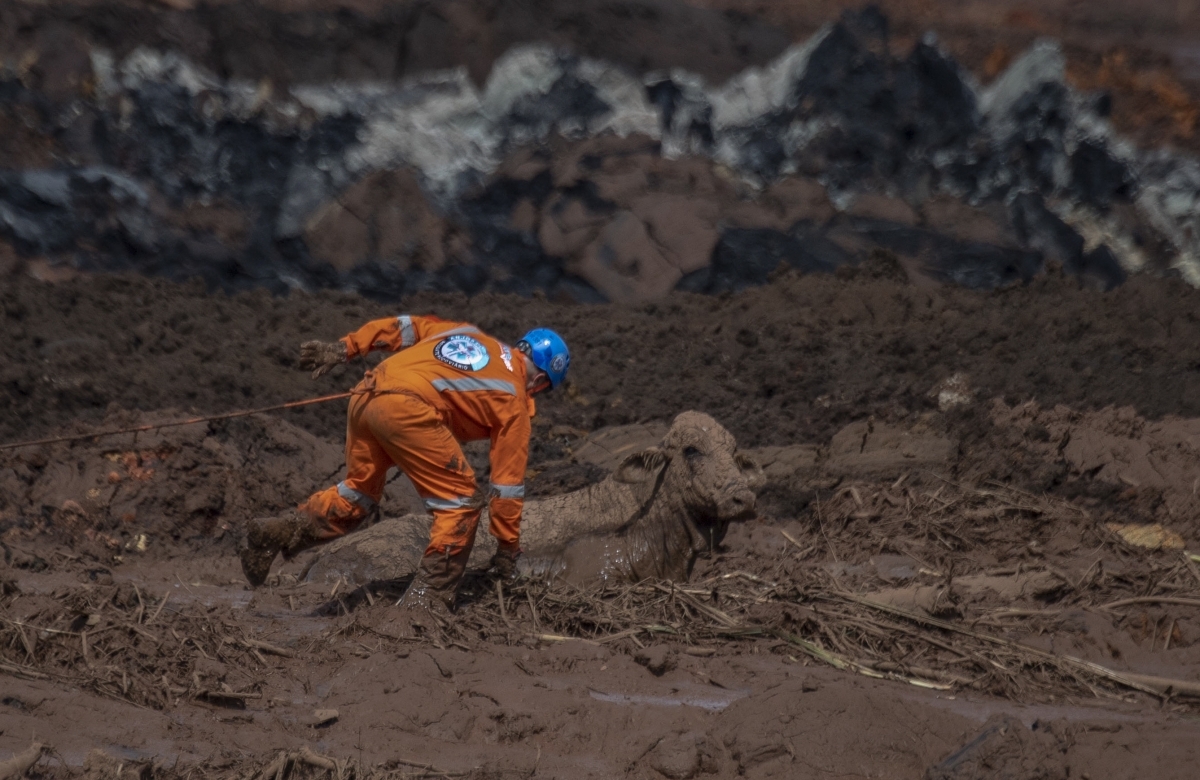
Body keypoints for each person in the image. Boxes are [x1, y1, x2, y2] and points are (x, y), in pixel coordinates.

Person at [239, 314, 569, 622]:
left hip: (366, 394)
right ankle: (423, 608)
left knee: (358, 494)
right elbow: (506, 487)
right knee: (462, 505)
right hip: (406, 408)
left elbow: (404, 327)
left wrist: (347, 347)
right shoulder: (514, 400)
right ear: (540, 381)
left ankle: (277, 531)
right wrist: (508, 551)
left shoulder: (467, 333)